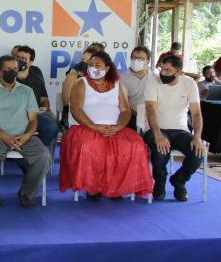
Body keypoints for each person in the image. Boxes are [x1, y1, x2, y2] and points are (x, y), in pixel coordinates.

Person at [59, 51, 152, 200]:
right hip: (86, 128)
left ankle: (117, 187)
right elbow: (76, 109)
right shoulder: (80, 83)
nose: (93, 68)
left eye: (97, 65)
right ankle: (93, 188)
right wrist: (95, 127)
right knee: (89, 147)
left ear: (107, 68)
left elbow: (125, 111)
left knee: (135, 145)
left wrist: (118, 127)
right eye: (90, 65)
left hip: (115, 128)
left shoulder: (117, 85)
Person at [0, 55, 52, 208]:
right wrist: (4, 136)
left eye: (15, 69)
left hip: (23, 136)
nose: (12, 72)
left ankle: (26, 192)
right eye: (8, 69)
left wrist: (26, 136)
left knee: (44, 157)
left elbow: (33, 120)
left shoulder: (26, 91)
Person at [144, 55, 205, 202]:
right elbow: (150, 110)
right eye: (162, 69)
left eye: (168, 70)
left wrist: (197, 136)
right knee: (160, 152)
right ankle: (160, 182)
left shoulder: (189, 84)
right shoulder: (153, 83)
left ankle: (179, 181)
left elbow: (196, 113)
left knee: (197, 153)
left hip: (181, 130)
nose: (163, 73)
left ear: (179, 72)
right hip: (156, 130)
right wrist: (158, 135)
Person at [14, 46, 57, 148]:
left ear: (30, 63)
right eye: (18, 58)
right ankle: (16, 149)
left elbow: (44, 99)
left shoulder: (37, 78)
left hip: (34, 114)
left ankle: (35, 150)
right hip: (13, 114)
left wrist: (44, 107)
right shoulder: (7, 75)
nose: (20, 61)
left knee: (51, 127)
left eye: (24, 59)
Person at [60, 42, 105, 115]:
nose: (84, 64)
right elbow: (67, 103)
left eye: (88, 61)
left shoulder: (106, 78)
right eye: (82, 60)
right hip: (75, 116)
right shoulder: (73, 75)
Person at [120, 46, 158, 129]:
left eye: (140, 59)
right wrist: (138, 114)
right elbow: (122, 102)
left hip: (153, 114)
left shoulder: (155, 78)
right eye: (134, 58)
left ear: (147, 61)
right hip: (133, 114)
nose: (136, 60)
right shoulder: (122, 78)